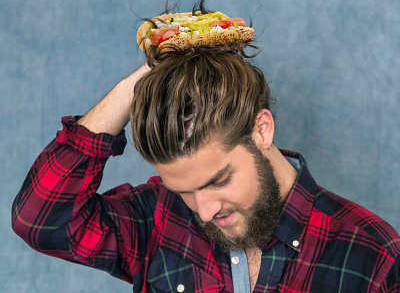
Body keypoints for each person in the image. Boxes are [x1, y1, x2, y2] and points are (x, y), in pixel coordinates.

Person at [12, 45, 400, 293]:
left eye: (218, 180)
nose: (204, 210)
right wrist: (145, 82)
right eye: (184, 190)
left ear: (262, 130)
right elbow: (42, 220)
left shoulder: (373, 255)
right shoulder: (157, 219)